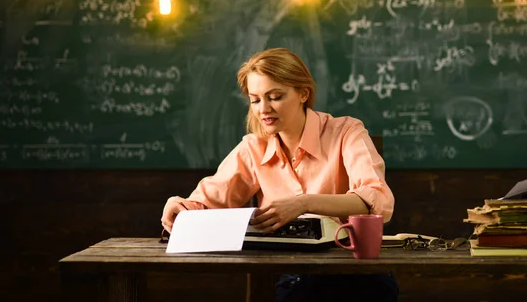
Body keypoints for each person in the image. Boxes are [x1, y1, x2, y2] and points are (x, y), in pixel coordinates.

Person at [161, 47, 398, 301]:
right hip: (296, 278)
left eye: (275, 96)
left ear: (303, 94)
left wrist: (304, 203)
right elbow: (207, 201)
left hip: (357, 274)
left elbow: (378, 201)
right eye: (255, 99)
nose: (264, 109)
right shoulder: (253, 147)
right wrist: (180, 209)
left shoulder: (347, 132)